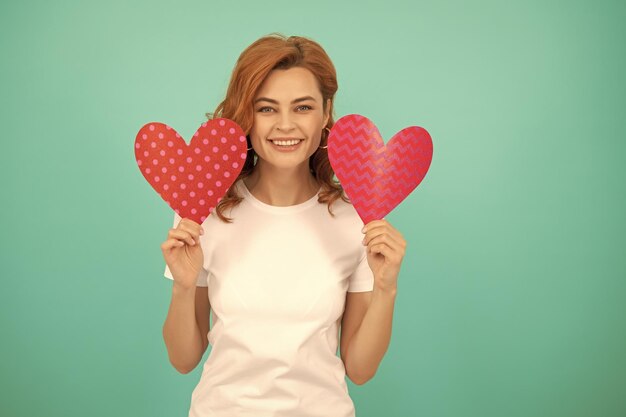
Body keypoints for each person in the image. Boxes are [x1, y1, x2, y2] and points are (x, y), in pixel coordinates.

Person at [160, 33, 406, 417]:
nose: (286, 125)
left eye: (303, 107)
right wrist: (182, 284)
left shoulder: (358, 218)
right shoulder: (204, 210)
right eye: (267, 109)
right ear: (246, 115)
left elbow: (360, 369)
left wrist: (386, 288)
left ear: (326, 114)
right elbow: (183, 358)